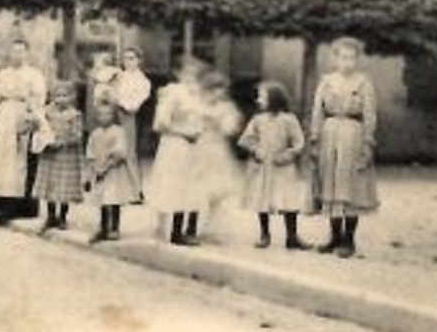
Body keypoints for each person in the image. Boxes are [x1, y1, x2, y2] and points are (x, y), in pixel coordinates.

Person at [150, 59, 243, 245]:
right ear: (179, 73)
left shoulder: (196, 96)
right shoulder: (174, 92)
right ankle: (172, 231)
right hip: (175, 144)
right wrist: (184, 132)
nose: (192, 76)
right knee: (174, 187)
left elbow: (210, 119)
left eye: (195, 73)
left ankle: (184, 231)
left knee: (189, 189)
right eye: (187, 72)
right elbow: (160, 123)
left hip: (193, 147)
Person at [309, 36, 379, 258]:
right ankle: (334, 236)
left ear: (357, 59)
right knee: (329, 184)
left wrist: (368, 141)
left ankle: (349, 239)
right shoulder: (327, 81)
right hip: (329, 133)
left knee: (350, 186)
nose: (347, 62)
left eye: (351, 58)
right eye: (342, 57)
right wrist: (314, 138)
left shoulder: (363, 83)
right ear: (335, 58)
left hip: (353, 134)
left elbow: (369, 114)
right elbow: (317, 111)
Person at [238, 80, 311, 250]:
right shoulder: (258, 120)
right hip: (264, 167)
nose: (259, 100)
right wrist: (256, 151)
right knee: (263, 199)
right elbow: (245, 140)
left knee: (289, 200)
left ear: (274, 98)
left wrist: (288, 155)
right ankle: (265, 234)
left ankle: (292, 237)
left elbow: (299, 142)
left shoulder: (289, 119)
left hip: (284, 167)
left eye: (262, 96)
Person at [0, 37, 47, 225]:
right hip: (4, 119)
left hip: (22, 116)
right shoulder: (3, 74)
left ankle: (19, 206)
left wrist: (30, 117)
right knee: (1, 161)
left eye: (21, 51)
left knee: (18, 163)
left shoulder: (34, 75)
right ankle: (0, 203)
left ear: (27, 53)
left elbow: (39, 99)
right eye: (14, 51)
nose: (17, 55)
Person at [32, 80, 85, 231]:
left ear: (72, 97)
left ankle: (62, 216)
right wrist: (39, 131)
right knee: (50, 186)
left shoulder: (75, 115)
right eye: (58, 95)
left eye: (65, 95)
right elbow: (39, 127)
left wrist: (62, 142)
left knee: (64, 188)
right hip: (50, 154)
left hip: (66, 155)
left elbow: (77, 135)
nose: (61, 99)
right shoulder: (47, 112)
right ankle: (50, 216)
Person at [86, 99, 139, 243]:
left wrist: (107, 166)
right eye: (101, 115)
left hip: (114, 172)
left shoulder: (118, 131)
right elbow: (90, 153)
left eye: (108, 114)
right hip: (99, 172)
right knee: (102, 200)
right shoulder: (95, 133)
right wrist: (94, 169)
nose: (104, 118)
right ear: (97, 116)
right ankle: (103, 227)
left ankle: (115, 227)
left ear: (113, 116)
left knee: (114, 199)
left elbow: (120, 152)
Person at [111, 47, 152, 203]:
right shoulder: (118, 77)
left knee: (129, 153)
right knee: (112, 149)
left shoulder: (142, 81)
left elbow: (133, 106)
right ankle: (117, 190)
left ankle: (137, 191)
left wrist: (118, 100)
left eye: (132, 58)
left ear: (139, 61)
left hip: (129, 116)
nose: (128, 62)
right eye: (125, 58)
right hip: (114, 114)